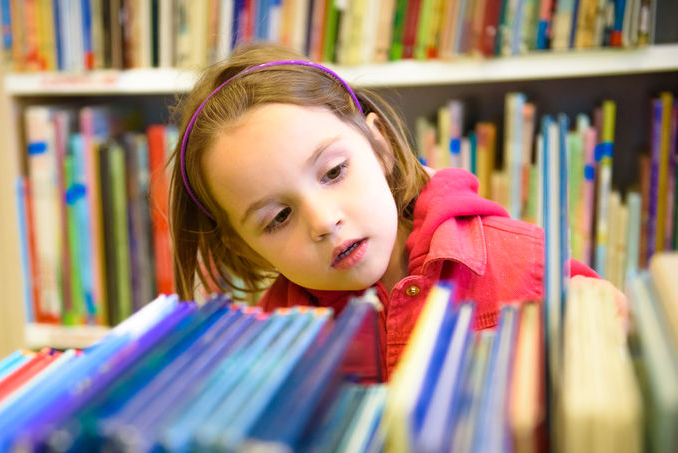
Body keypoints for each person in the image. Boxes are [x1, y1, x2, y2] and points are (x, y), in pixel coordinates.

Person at [168, 42, 624, 380]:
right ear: (243, 246)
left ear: (380, 144)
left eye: (333, 172)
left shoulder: (527, 263)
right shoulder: (271, 339)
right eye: (278, 218)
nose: (325, 221)